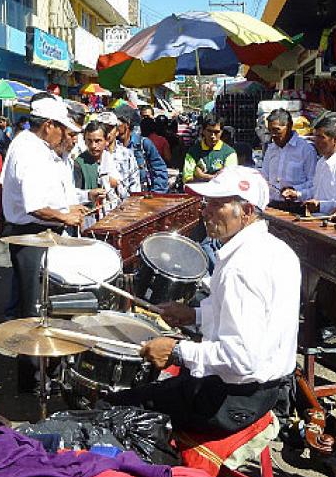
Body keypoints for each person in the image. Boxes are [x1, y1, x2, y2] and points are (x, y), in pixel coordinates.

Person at [109, 166, 299, 434]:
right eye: (207, 202)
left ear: (246, 212)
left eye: (217, 204)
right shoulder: (278, 250)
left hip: (231, 402)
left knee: (119, 408)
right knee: (161, 388)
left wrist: (176, 351)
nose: (206, 210)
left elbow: (241, 358)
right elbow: (257, 322)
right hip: (266, 391)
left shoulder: (241, 267)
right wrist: (194, 315)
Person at [0, 95, 84, 391]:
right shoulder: (29, 150)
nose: (66, 136)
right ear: (48, 126)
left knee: (48, 303)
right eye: (63, 129)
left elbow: (54, 196)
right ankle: (34, 378)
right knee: (34, 308)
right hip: (33, 232)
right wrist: (66, 216)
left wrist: (79, 203)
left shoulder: (42, 148)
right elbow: (36, 205)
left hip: (45, 230)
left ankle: (48, 370)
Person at [261, 108, 317, 203]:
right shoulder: (270, 149)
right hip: (273, 204)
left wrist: (295, 190)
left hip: (296, 205)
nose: (273, 135)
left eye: (276, 130)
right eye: (270, 131)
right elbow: (265, 177)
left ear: (289, 126)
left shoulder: (306, 149)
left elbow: (314, 183)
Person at [116, 109, 168, 192]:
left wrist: (157, 194)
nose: (114, 127)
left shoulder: (143, 143)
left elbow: (159, 169)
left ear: (127, 123)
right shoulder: (112, 146)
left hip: (142, 194)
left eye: (117, 124)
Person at [74, 122, 118, 214]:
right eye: (89, 141)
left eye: (98, 141)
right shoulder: (79, 164)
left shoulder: (112, 159)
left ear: (107, 140)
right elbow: (73, 195)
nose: (93, 146)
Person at [182, 113, 238, 183]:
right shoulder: (193, 152)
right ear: (203, 130)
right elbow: (187, 179)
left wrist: (202, 176)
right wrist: (216, 177)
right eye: (209, 131)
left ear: (221, 132)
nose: (212, 136)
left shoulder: (229, 153)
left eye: (216, 132)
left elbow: (229, 180)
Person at [99, 111, 141, 198]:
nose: (106, 133)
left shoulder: (127, 154)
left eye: (109, 129)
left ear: (117, 131)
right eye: (103, 129)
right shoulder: (93, 155)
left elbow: (135, 184)